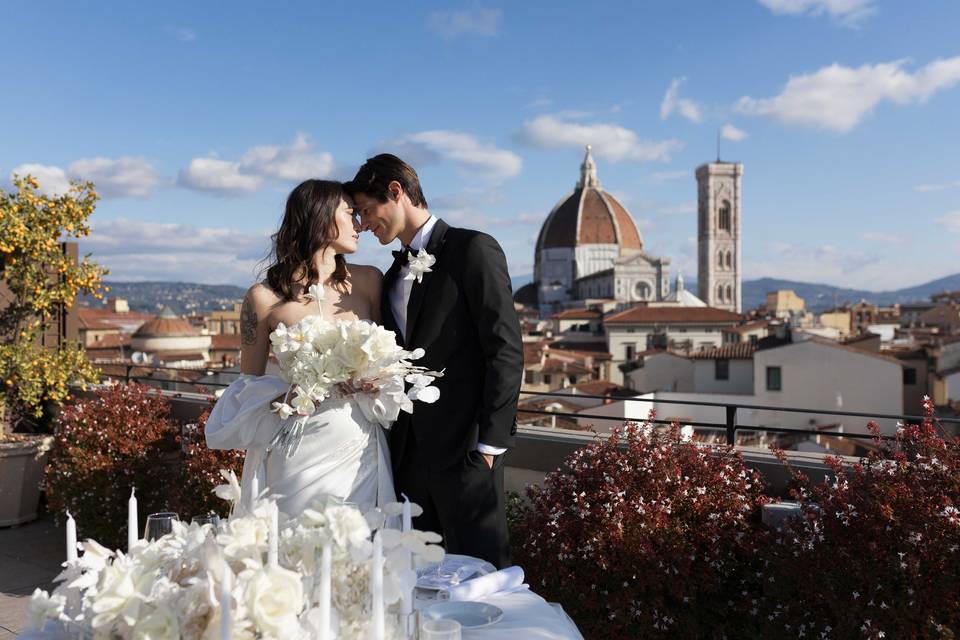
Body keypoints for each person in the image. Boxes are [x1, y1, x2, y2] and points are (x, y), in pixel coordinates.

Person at [346, 154, 523, 568]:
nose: (364, 224)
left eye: (367, 211)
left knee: (480, 579)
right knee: (418, 579)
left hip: (467, 453)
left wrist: (489, 447)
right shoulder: (387, 279)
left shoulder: (473, 248)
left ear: (396, 191)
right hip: (408, 458)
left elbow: (505, 349)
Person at [205, 179, 396, 516]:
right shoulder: (262, 299)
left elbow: (390, 357)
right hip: (296, 448)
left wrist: (374, 381)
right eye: (350, 214)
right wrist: (293, 396)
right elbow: (247, 384)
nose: (358, 225)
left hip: (358, 448)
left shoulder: (369, 281)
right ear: (321, 219)